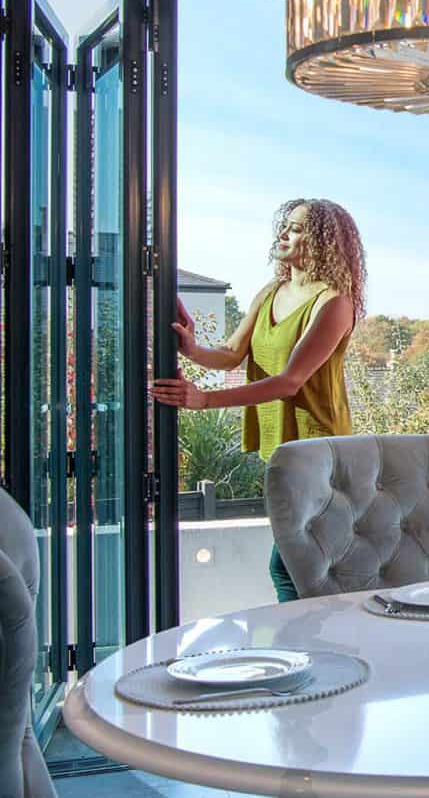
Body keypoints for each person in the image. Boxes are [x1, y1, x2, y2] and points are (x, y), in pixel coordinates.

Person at [151, 198, 366, 602]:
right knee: (296, 564)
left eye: (297, 228)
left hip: (320, 449)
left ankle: (310, 651)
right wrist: (192, 348)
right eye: (285, 226)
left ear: (323, 240)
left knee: (288, 565)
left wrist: (202, 400)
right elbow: (232, 353)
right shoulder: (272, 291)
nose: (284, 234)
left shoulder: (335, 303)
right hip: (282, 448)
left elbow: (290, 382)